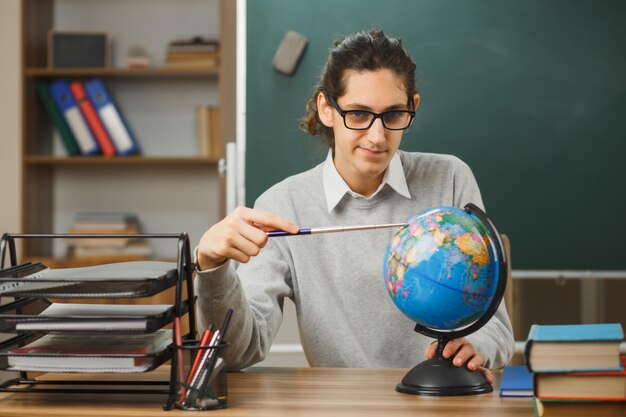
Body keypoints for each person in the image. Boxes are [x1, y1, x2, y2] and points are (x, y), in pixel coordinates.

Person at [195, 29, 514, 381]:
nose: (377, 137)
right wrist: (213, 269)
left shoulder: (450, 179)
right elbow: (239, 351)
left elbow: (494, 327)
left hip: (440, 402)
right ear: (326, 109)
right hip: (344, 404)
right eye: (359, 114)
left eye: (393, 115)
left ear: (413, 108)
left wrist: (477, 347)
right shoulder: (283, 205)